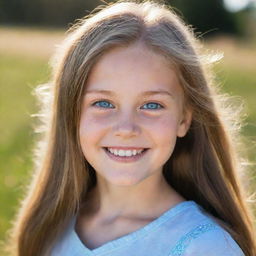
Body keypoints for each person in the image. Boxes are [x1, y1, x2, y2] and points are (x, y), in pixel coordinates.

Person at [4, 1, 256, 255]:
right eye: (103, 103)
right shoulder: (51, 227)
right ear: (72, 113)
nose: (126, 128)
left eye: (152, 105)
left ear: (184, 119)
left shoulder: (204, 247)